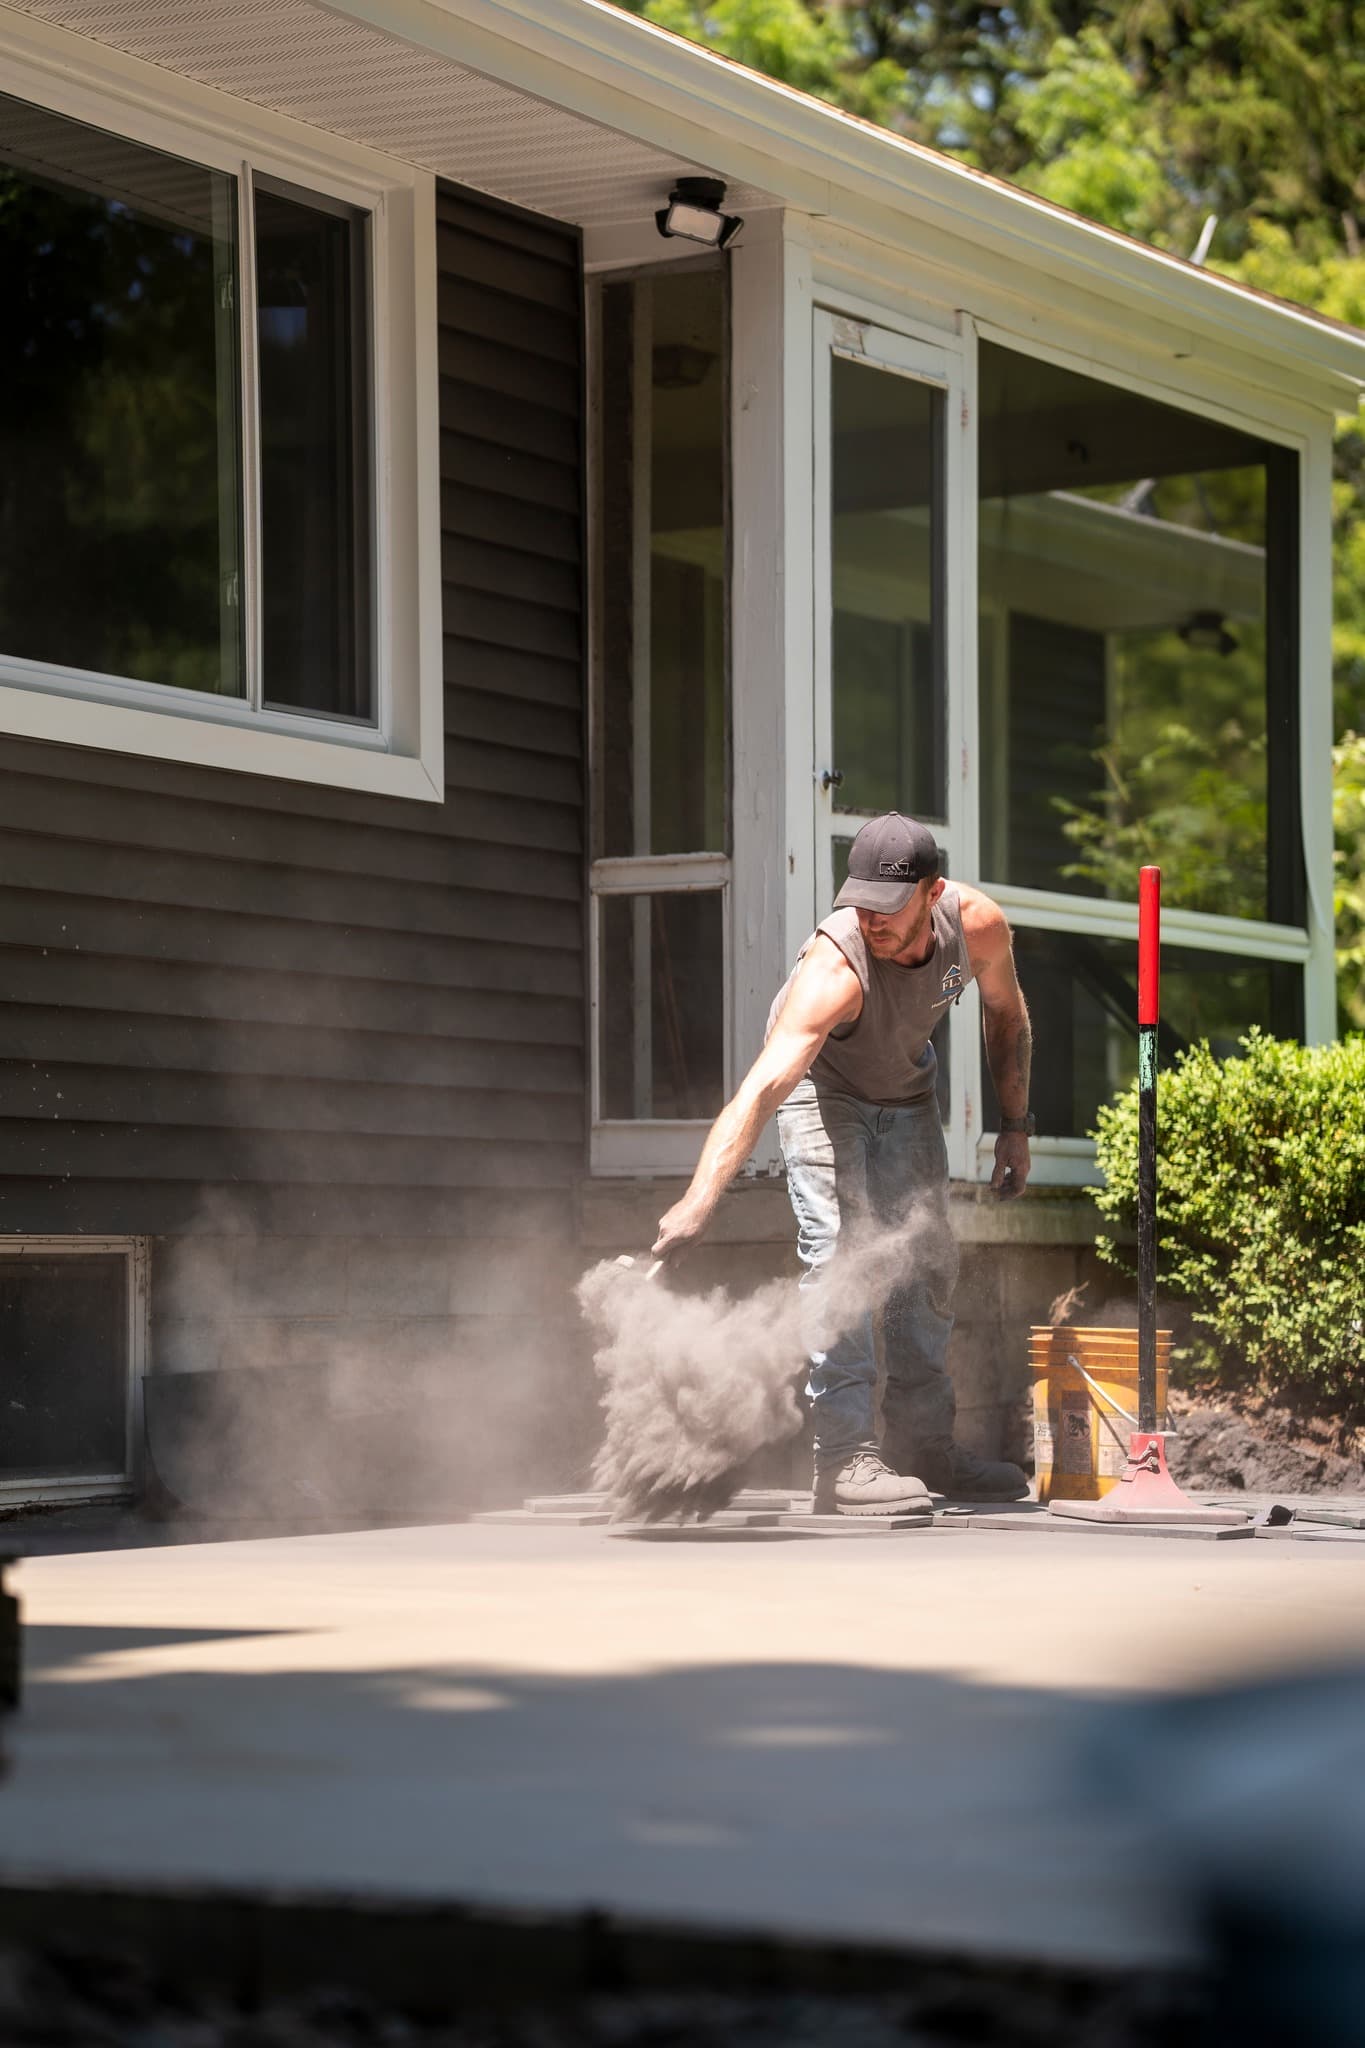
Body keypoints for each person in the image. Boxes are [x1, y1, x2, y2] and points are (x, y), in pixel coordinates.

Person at [653, 812, 1035, 1515]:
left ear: (932, 892)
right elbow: (761, 1089)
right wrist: (700, 1198)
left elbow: (1005, 1016)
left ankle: (924, 1447)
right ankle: (844, 1460)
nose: (871, 919)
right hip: (816, 1089)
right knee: (840, 1255)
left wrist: (1014, 1126)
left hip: (905, 1088)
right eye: (858, 901)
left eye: (888, 905)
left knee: (925, 1262)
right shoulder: (834, 968)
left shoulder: (977, 926)